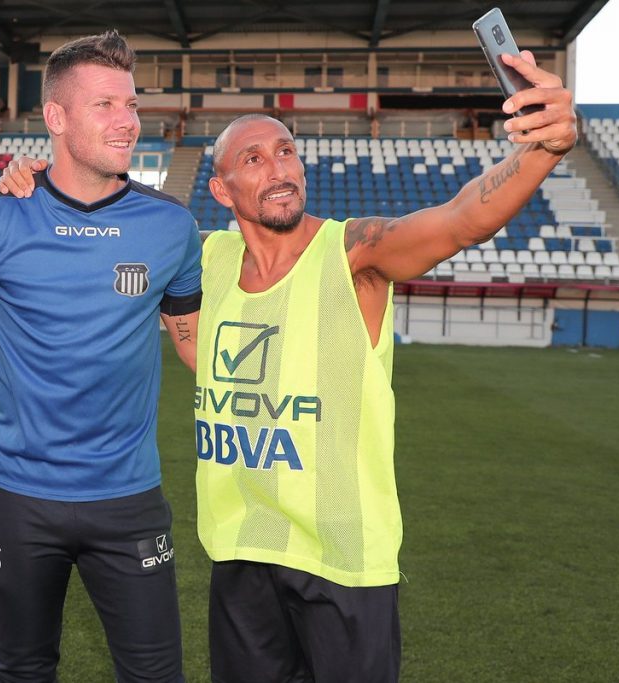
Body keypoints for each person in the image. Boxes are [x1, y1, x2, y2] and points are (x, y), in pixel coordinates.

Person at [194, 51, 576, 682]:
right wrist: (29, 184)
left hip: (344, 563)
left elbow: (460, 221)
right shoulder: (210, 258)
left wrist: (544, 147)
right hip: (240, 551)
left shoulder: (353, 251)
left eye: (286, 152)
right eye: (254, 160)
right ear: (220, 189)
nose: (279, 168)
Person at [0, 30, 202, 683]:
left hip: (129, 498)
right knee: (24, 669)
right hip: (15, 498)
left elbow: (193, 342)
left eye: (131, 104)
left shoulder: (171, 228)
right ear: (56, 117)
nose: (128, 121)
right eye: (106, 104)